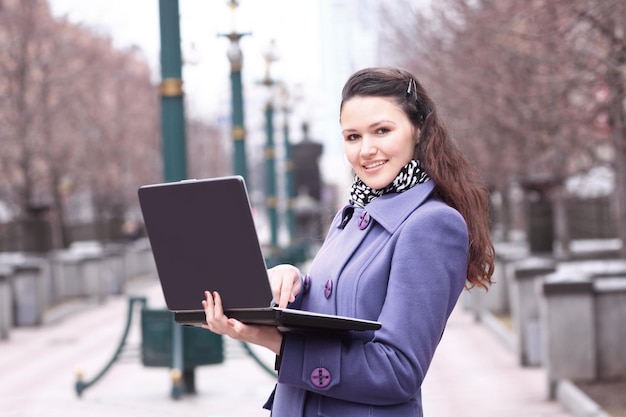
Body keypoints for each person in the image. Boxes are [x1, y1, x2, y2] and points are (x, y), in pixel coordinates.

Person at [202, 66, 495, 416]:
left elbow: (397, 371)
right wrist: (293, 283)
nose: (366, 150)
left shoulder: (432, 225)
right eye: (352, 137)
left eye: (382, 131)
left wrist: (267, 338)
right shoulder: (352, 213)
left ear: (418, 130)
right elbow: (338, 311)